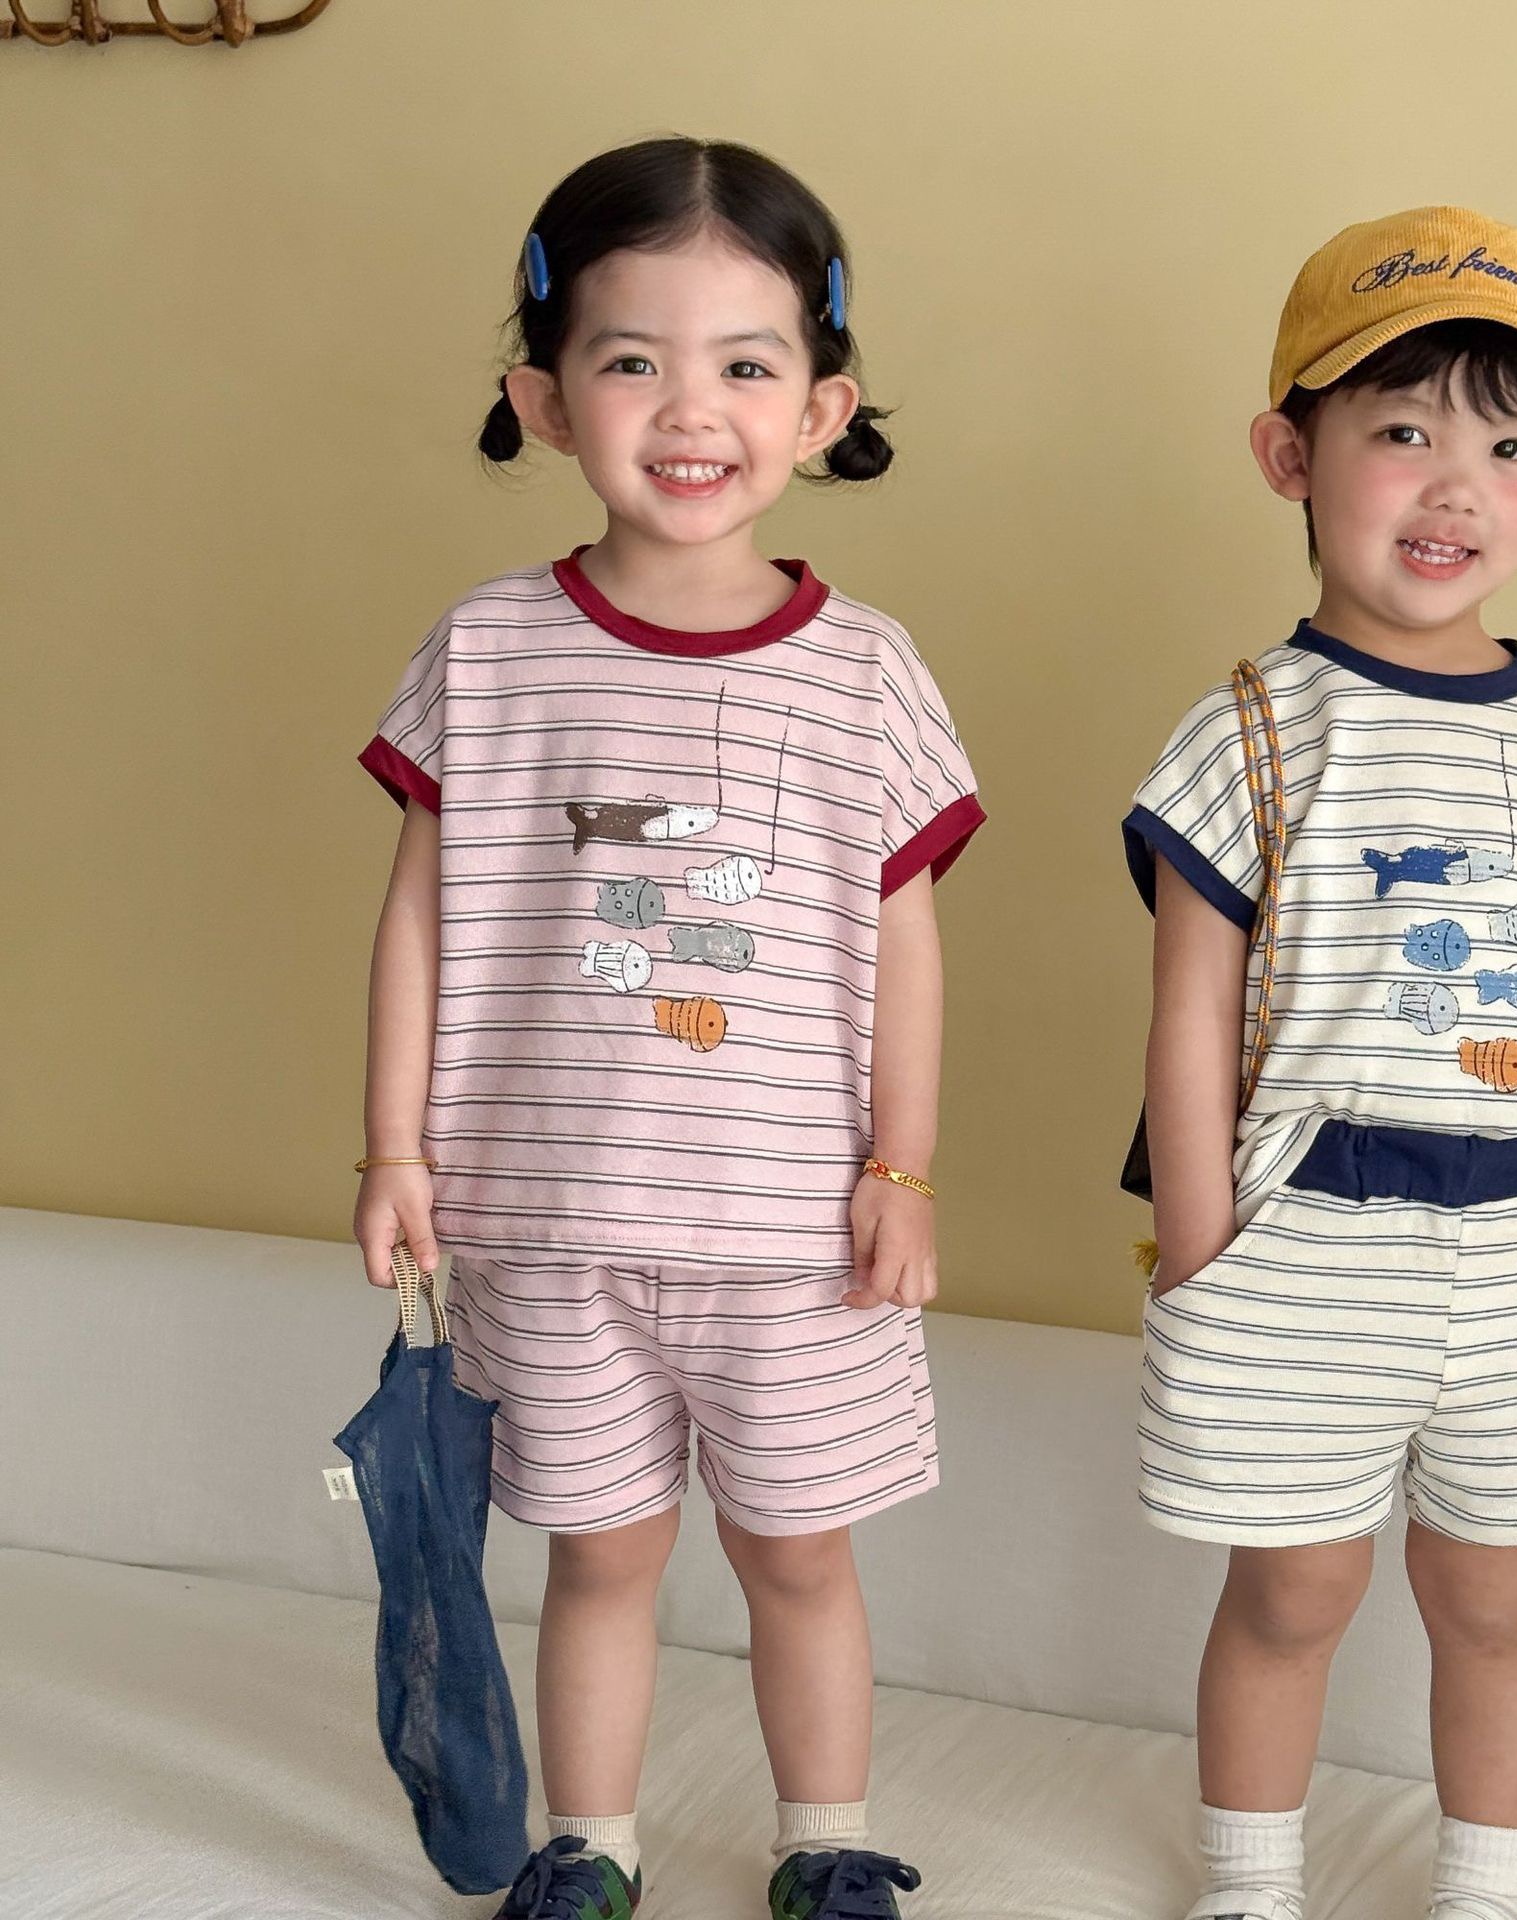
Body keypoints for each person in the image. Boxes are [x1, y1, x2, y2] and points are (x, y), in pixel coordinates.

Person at [353, 136, 984, 1920]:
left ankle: (824, 1842)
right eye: (633, 359)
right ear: (546, 401)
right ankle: (592, 1846)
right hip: (546, 1226)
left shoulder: (866, 672)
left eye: (747, 364)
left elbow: (906, 940)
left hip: (793, 1241)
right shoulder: (487, 650)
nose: (691, 409)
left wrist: (903, 1170)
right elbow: (417, 914)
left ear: (821, 407)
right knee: (599, 1559)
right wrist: (393, 1149)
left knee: (800, 1559)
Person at [1123, 206, 1517, 1920]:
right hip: (1315, 1230)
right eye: (1403, 432)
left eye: (1507, 448)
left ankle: (1487, 1894)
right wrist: (1201, 1256)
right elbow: (1186, 1016)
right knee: (1291, 1591)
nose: (1458, 488)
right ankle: (1249, 1888)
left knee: (1495, 1600)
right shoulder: (1251, 728)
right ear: (1288, 456)